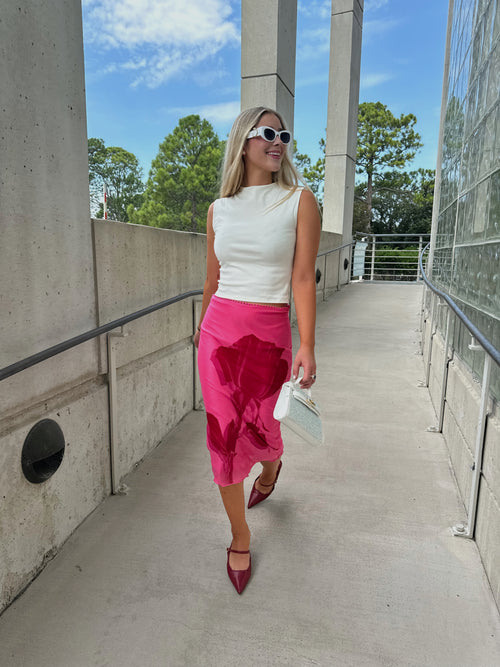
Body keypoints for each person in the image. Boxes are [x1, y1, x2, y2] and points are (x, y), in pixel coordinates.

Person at [193, 106, 321, 594]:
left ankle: (271, 467)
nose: (278, 141)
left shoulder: (298, 200)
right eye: (267, 133)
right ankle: (239, 536)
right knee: (224, 437)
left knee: (265, 429)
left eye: (284, 134)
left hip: (270, 335)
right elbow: (212, 278)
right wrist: (202, 332)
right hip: (219, 335)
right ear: (243, 141)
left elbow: (303, 276)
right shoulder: (218, 210)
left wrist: (307, 342)